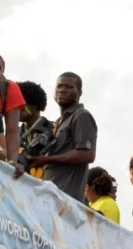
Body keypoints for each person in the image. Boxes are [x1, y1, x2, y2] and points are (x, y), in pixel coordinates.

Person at [29, 72, 97, 202]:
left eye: (69, 87)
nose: (62, 90)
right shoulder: (59, 121)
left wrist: (47, 160)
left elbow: (87, 154)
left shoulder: (81, 115)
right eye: (59, 86)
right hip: (50, 193)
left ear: (79, 93)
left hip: (65, 198)